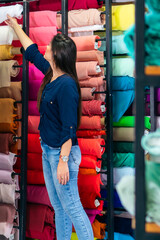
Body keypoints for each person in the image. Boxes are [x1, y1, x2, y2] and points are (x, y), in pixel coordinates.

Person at [6, 15, 94, 240]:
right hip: (49, 151)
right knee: (59, 206)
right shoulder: (52, 74)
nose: (45, 48)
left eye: (50, 47)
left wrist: (63, 162)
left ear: (56, 55)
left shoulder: (66, 86)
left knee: (72, 206)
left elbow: (69, 129)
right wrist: (16, 26)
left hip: (61, 154)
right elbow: (32, 51)